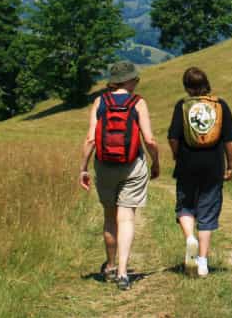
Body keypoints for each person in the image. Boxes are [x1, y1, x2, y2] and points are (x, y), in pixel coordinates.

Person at [78, 61, 160, 291]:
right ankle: (123, 273)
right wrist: (156, 162)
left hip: (104, 167)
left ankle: (111, 266)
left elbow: (91, 139)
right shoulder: (138, 103)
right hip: (133, 165)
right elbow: (150, 140)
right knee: (126, 219)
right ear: (130, 80)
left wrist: (83, 168)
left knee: (109, 218)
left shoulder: (100, 101)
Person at [168, 67, 232, 277]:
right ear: (207, 83)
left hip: (187, 164)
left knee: (186, 205)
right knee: (207, 211)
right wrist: (230, 164)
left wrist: (176, 155)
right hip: (213, 165)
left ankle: (190, 237)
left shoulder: (182, 106)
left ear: (187, 87)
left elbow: (173, 137)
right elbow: (230, 139)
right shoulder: (220, 105)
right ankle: (203, 262)